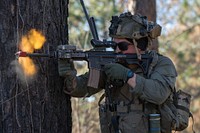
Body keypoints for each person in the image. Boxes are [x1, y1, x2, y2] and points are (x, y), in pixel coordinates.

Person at [58, 12, 177, 133]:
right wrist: (69, 75)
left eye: (123, 46)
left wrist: (127, 75)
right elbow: (82, 88)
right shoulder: (113, 66)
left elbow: (158, 94)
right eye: (114, 45)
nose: (117, 50)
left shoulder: (160, 64)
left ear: (140, 45)